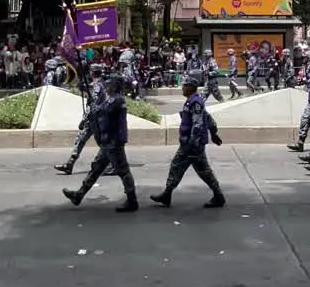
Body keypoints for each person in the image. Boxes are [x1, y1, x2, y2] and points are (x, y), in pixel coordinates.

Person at [62, 74, 138, 212]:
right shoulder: (111, 99)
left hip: (114, 141)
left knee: (123, 171)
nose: (107, 86)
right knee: (96, 168)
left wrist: (94, 105)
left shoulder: (117, 100)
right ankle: (79, 195)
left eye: (110, 84)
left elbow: (103, 111)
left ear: (116, 85)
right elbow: (99, 111)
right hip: (107, 141)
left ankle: (132, 200)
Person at [151, 73, 225, 208]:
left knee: (201, 171)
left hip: (192, 144)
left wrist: (193, 142)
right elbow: (207, 117)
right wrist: (213, 133)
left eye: (185, 85)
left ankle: (218, 196)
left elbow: (198, 123)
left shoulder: (195, 102)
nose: (182, 88)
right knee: (189, 168)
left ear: (191, 87)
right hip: (190, 143)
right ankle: (167, 194)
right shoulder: (192, 101)